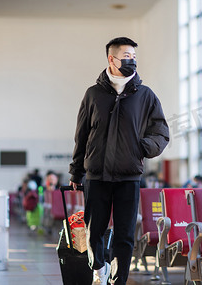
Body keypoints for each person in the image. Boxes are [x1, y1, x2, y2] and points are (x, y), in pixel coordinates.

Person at [68, 37, 169, 285]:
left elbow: (161, 131)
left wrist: (142, 147)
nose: (131, 60)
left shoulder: (145, 95)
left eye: (134, 56)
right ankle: (99, 269)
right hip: (96, 176)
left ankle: (119, 280)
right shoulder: (93, 94)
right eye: (126, 55)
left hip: (129, 176)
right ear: (111, 59)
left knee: (125, 235)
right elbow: (81, 135)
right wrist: (76, 172)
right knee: (94, 233)